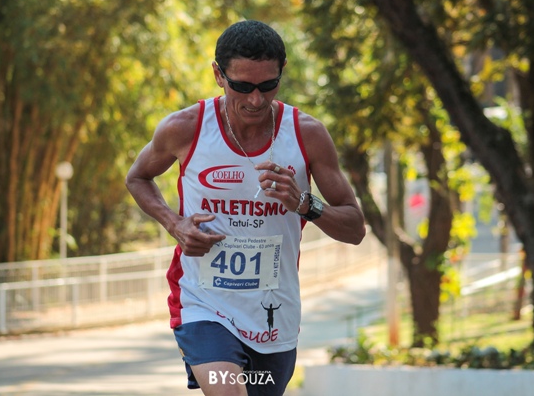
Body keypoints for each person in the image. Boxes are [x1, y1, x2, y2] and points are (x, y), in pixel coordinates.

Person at [125, 20, 365, 396]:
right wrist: (175, 224)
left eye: (267, 86)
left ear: (282, 73)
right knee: (229, 392)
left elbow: (355, 228)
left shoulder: (307, 134)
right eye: (242, 86)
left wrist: (303, 203)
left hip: (274, 313)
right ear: (218, 75)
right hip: (203, 303)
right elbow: (137, 177)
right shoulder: (185, 128)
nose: (255, 100)